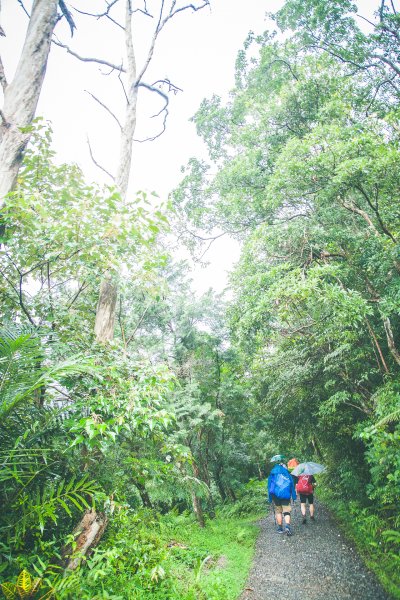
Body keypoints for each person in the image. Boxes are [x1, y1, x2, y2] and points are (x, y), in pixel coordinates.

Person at [267, 455, 297, 536]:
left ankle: (280, 528)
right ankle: (287, 526)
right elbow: (291, 484)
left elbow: (269, 486)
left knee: (278, 511)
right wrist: (294, 496)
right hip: (285, 494)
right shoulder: (286, 472)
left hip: (275, 495)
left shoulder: (272, 472)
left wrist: (270, 498)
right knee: (286, 511)